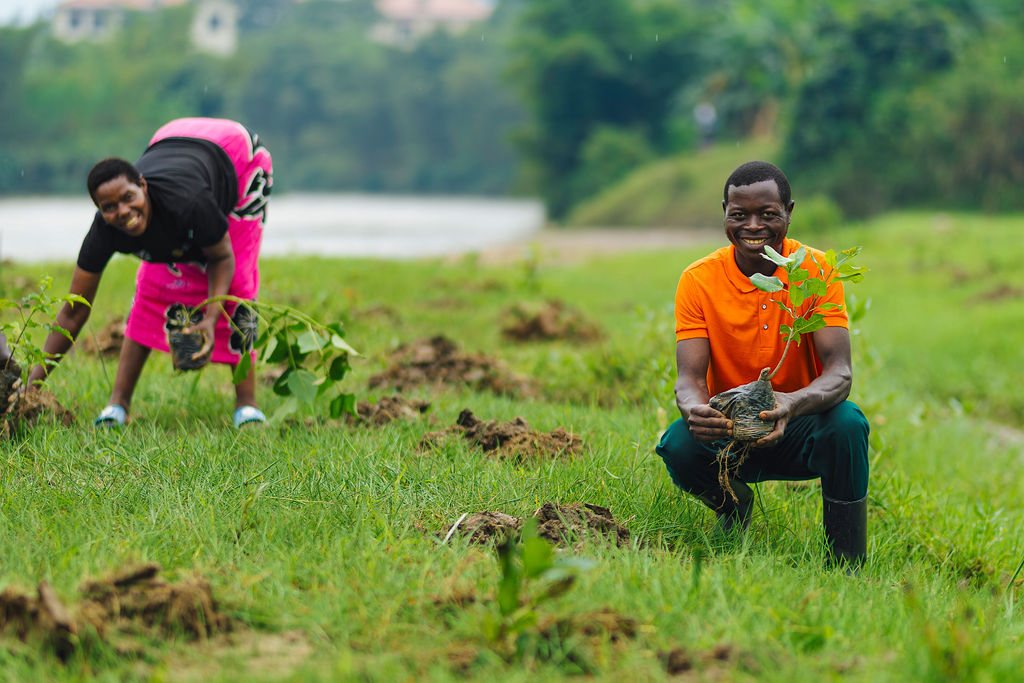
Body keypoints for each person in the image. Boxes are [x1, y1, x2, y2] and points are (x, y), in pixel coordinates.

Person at [655, 160, 869, 568]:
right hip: (730, 429)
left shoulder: (816, 271)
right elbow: (688, 379)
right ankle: (735, 506)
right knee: (678, 444)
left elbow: (839, 374)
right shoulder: (699, 280)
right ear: (724, 213)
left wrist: (791, 404)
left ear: (789, 211)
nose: (753, 226)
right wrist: (698, 412)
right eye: (739, 215)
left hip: (797, 423)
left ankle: (847, 561)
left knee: (847, 423)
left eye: (768, 214)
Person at [28, 117, 273, 428]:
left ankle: (246, 405)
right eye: (109, 207)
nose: (124, 213)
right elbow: (74, 312)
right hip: (171, 139)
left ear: (142, 185)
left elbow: (223, 257)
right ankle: (118, 405)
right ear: (99, 211)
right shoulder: (104, 232)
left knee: (236, 287)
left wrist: (210, 317)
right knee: (151, 286)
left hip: (239, 156)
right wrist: (30, 387)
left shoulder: (190, 204)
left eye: (129, 197)